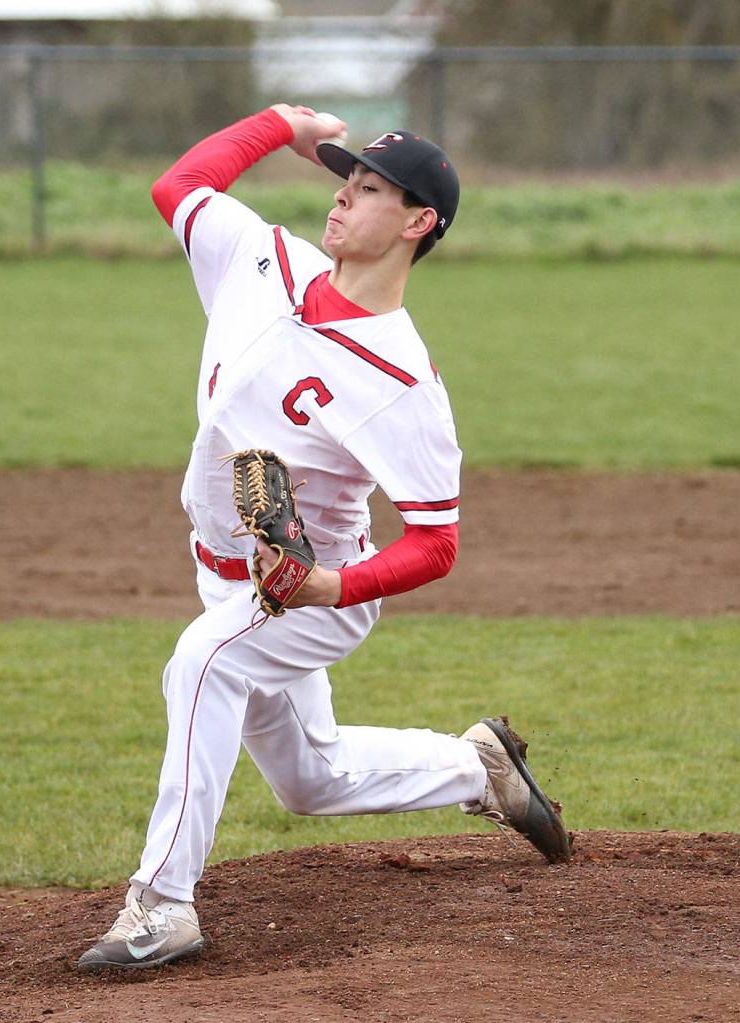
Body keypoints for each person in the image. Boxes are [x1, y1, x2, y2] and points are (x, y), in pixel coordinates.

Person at [77, 104, 569, 973]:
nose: (341, 198)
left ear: (418, 223)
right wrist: (280, 122)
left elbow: (436, 542)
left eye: (370, 188)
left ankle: (161, 906)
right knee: (312, 780)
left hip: (310, 587)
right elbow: (179, 186)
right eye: (344, 180)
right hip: (219, 568)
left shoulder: (402, 381)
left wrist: (326, 591)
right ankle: (476, 767)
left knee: (203, 662)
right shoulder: (261, 258)